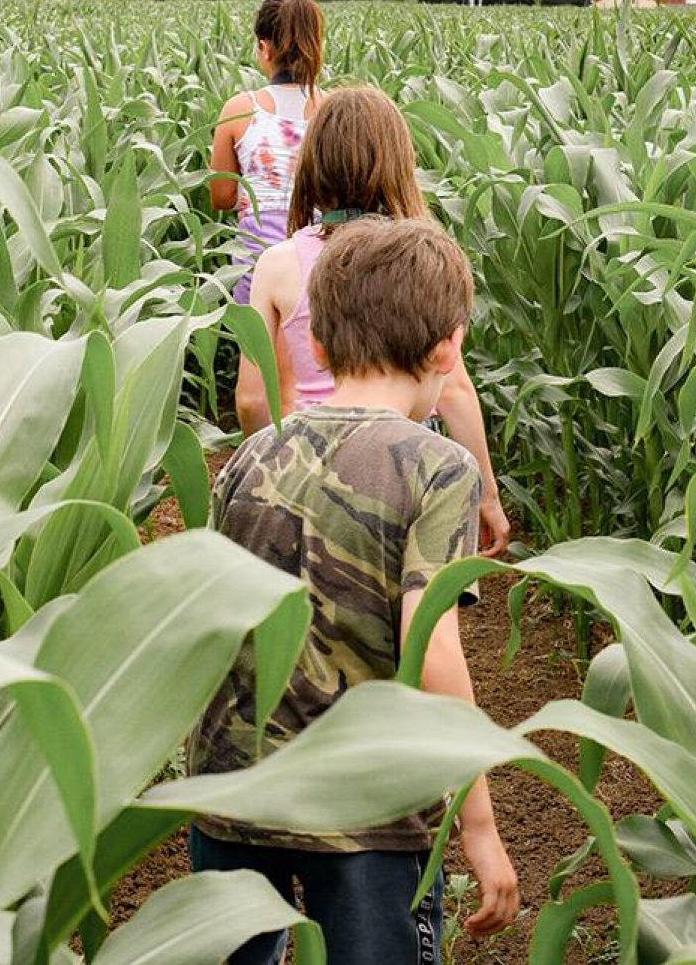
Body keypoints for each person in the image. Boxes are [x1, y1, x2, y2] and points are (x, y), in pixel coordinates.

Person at [188, 218, 520, 965]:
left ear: (322, 346)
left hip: (232, 792)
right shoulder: (436, 467)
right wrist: (478, 822)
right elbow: (430, 644)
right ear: (447, 347)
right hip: (366, 809)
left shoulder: (250, 455)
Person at [235, 85, 511, 556]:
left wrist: (280, 465)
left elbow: (251, 399)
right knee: (417, 606)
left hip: (310, 466)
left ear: (313, 165)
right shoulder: (422, 259)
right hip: (406, 468)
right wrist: (486, 494)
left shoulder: (280, 263)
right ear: (398, 165)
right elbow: (456, 390)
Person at [209, 0, 324, 304]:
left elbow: (221, 196)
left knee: (257, 347)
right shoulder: (335, 110)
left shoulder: (240, 109)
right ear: (317, 45)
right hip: (322, 263)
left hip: (257, 261)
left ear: (263, 47)